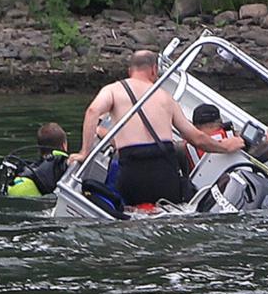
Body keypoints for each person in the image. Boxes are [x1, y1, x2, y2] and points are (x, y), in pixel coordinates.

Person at [69, 50, 245, 206]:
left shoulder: (113, 90)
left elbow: (92, 111)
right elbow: (196, 138)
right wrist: (227, 146)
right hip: (164, 178)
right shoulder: (165, 98)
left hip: (132, 176)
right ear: (154, 70)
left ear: (130, 71)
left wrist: (85, 152)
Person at [184, 104, 268, 170]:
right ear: (220, 122)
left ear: (194, 126)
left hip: (204, 191)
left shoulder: (186, 146)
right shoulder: (235, 139)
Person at [6, 122, 69, 197]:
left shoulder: (31, 167)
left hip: (15, 187)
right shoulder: (61, 162)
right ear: (64, 146)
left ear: (39, 149)